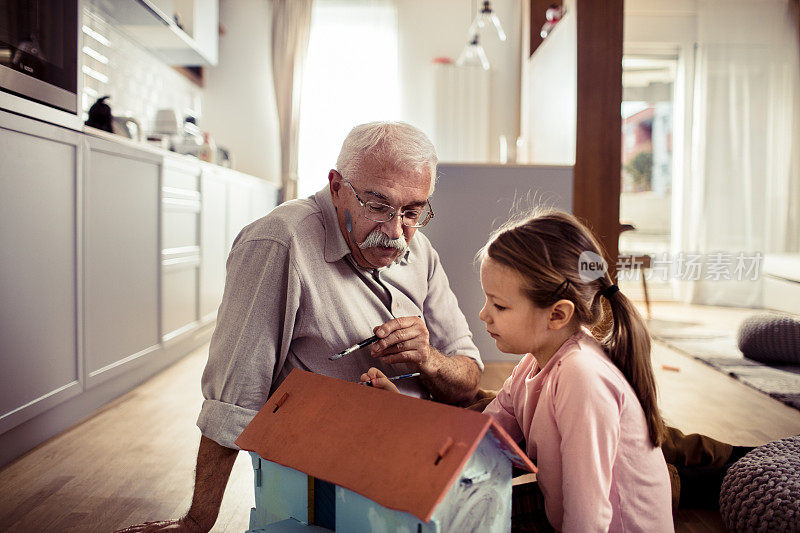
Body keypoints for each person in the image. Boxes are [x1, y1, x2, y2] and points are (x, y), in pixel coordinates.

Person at [116, 122, 482, 533]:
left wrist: (430, 360)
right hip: (327, 479)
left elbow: (468, 377)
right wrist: (197, 522)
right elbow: (234, 398)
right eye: (378, 207)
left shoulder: (421, 250)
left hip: (427, 460)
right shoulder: (278, 242)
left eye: (413, 211)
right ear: (337, 186)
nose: (397, 232)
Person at [365, 208, 674, 532]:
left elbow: (589, 517)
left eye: (499, 305)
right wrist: (399, 407)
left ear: (557, 315)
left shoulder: (581, 376)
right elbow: (478, 440)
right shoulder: (533, 363)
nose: (484, 314)